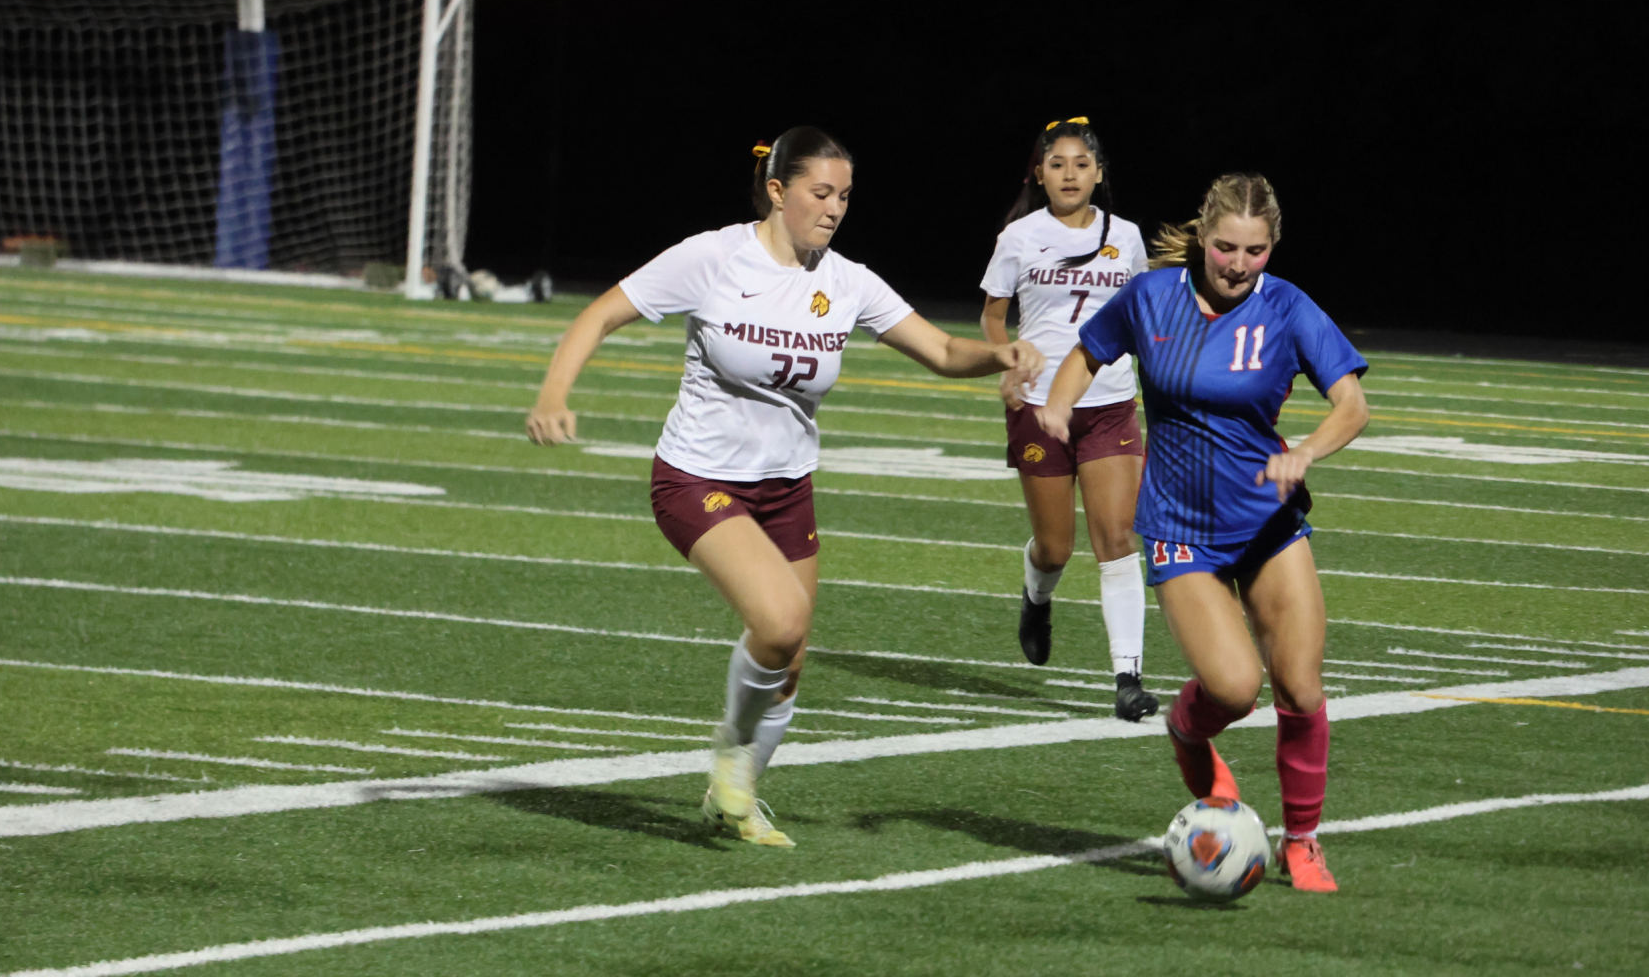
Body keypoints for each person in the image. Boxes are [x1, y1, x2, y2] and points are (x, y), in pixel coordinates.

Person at [526, 127, 1045, 849]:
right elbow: (598, 313)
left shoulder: (846, 281)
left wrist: (999, 353)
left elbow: (942, 350)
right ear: (777, 191)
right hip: (697, 478)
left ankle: (730, 797)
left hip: (786, 490)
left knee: (789, 663)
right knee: (777, 624)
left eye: (844, 197)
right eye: (820, 193)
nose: (834, 209)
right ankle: (731, 766)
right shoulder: (712, 258)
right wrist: (553, 395)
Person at [1035, 172, 1369, 892]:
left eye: (1254, 251)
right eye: (1224, 247)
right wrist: (1059, 405)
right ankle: (1187, 732)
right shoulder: (1152, 297)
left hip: (1267, 523)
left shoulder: (1288, 308)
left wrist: (1305, 451)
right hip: (1180, 528)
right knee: (1231, 687)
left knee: (1302, 690)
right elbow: (1087, 352)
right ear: (1203, 237)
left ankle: (1303, 842)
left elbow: (1351, 404)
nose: (1237, 264)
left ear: (1270, 247)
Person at [979, 118, 1156, 721]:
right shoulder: (1019, 237)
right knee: (1056, 549)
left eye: (1081, 163)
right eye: (1057, 164)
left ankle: (1127, 676)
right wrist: (1007, 363)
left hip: (1109, 405)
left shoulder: (1127, 237)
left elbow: (1146, 316)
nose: (1070, 174)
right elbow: (994, 316)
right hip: (1040, 409)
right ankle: (1037, 595)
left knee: (1117, 541)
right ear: (1039, 174)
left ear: (1099, 173)